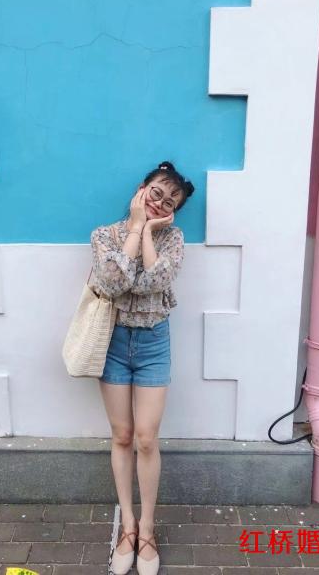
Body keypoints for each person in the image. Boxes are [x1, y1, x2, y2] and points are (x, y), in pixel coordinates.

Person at [90, 161, 195, 575]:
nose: (161, 203)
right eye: (156, 193)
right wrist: (136, 227)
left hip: (153, 343)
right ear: (141, 189)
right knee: (122, 436)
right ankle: (128, 527)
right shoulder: (104, 235)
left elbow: (155, 282)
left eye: (170, 202)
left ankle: (148, 529)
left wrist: (148, 232)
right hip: (113, 342)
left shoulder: (174, 238)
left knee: (147, 439)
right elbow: (113, 283)